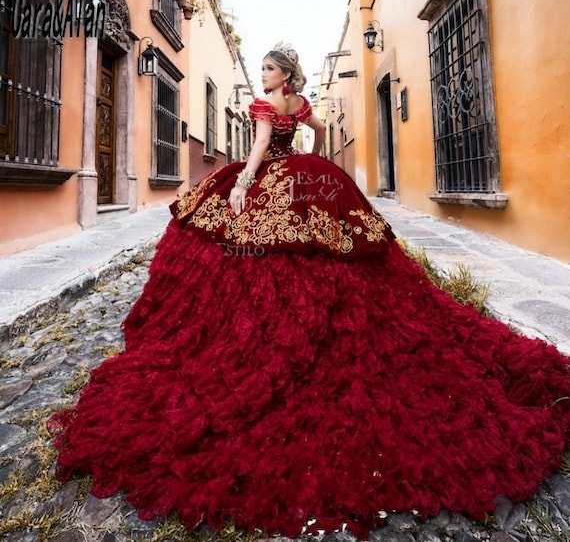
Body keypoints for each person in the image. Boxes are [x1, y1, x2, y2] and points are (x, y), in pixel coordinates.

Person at [48, 42, 570, 539]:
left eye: (270, 68)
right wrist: (309, 160)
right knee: (322, 252)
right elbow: (318, 134)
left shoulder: (261, 105)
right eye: (264, 69)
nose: (264, 74)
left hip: (269, 180)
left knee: (252, 257)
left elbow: (254, 150)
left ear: (285, 74)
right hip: (304, 177)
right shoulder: (299, 105)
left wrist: (241, 184)